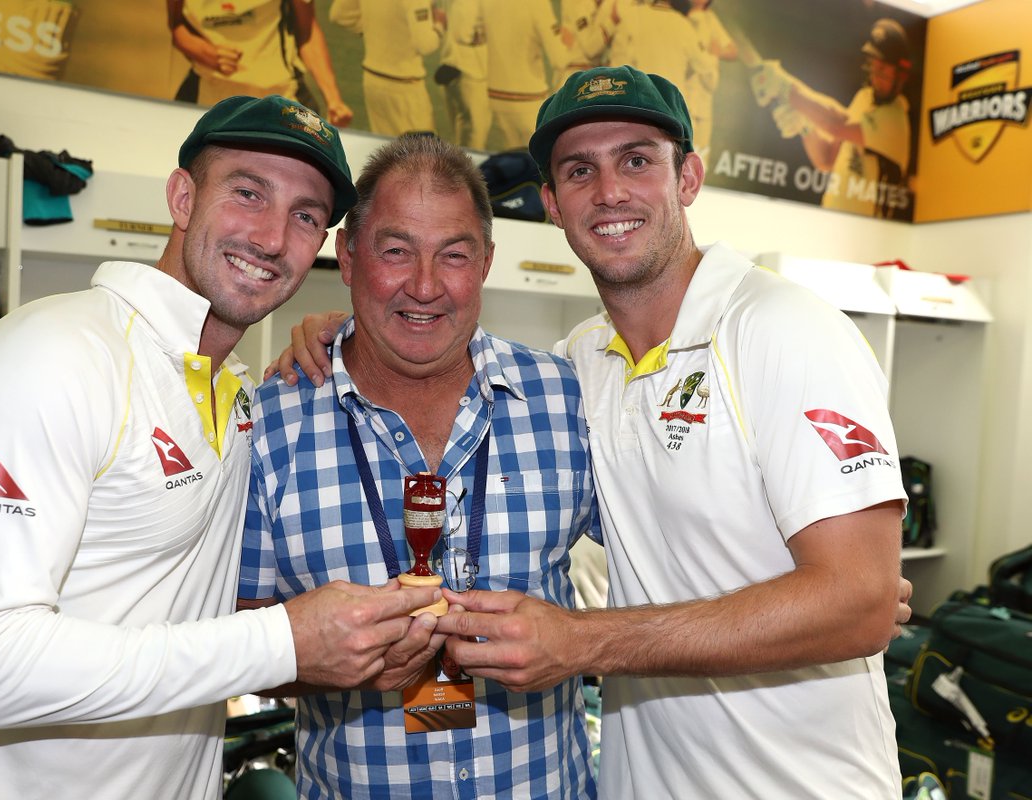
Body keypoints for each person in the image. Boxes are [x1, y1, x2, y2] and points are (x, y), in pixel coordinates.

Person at [271, 66, 913, 798]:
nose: (609, 192)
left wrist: (581, 642)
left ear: (690, 176)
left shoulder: (784, 329)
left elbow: (860, 600)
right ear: (551, 203)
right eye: (581, 170)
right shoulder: (578, 368)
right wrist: (343, 332)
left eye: (637, 160)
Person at [0, 94, 443, 800]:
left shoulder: (232, 389)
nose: (270, 237)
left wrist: (354, 340)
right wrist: (281, 641)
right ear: (181, 195)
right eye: (248, 193)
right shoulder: (49, 358)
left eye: (306, 215)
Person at [237, 133, 599, 798]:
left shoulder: (565, 398)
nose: (425, 286)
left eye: (453, 255)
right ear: (347, 256)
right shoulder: (268, 427)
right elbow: (233, 643)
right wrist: (329, 661)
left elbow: (674, 549)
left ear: (486, 261)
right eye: (396, 251)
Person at [753, 17, 913, 219]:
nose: (875, 76)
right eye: (874, 66)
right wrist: (804, 126)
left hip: (867, 234)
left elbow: (835, 125)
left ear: (900, 75)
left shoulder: (896, 119)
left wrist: (786, 89)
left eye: (883, 70)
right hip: (831, 220)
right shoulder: (864, 98)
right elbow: (826, 159)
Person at [167, 0, 353, 125]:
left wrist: (333, 99)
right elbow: (176, 26)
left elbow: (308, 32)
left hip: (280, 95)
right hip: (207, 93)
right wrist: (206, 53)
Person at [329, 0, 442, 137]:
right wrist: (440, 25)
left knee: (386, 152)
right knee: (421, 153)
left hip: (373, 79)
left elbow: (339, 14)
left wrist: (375, 30)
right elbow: (425, 44)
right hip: (405, 87)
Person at [480, 0, 570, 150]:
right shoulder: (538, 5)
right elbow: (559, 59)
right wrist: (567, 40)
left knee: (512, 164)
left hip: (496, 96)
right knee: (537, 167)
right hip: (529, 101)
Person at [686, 0, 738, 159]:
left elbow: (733, 51)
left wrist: (716, 51)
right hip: (684, 89)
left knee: (700, 152)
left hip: (704, 94)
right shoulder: (679, 16)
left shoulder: (710, 19)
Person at [436, 0, 490, 150]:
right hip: (469, 72)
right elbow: (464, 34)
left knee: (463, 130)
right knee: (475, 134)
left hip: (453, 66)